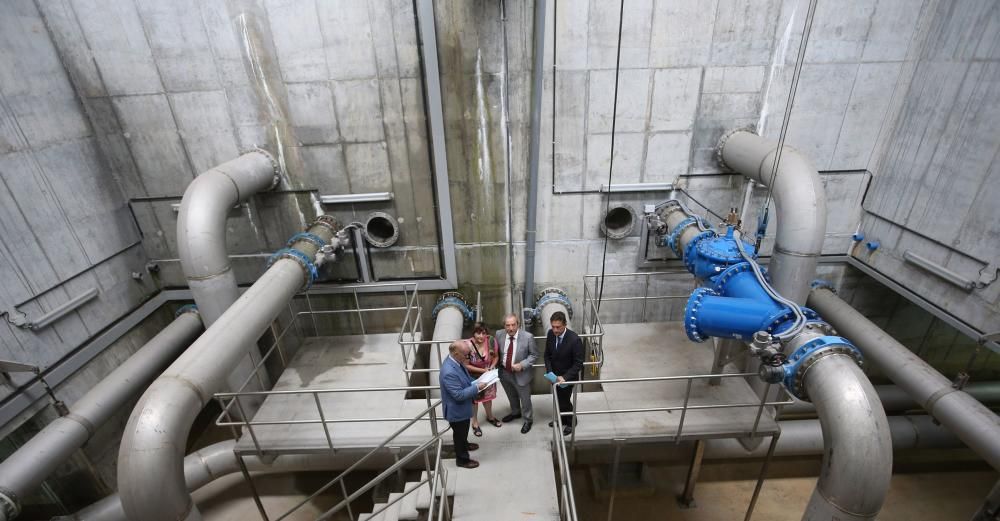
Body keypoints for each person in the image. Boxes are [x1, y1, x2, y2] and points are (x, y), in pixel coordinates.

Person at [440, 340, 489, 469]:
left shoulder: (456, 361)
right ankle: (462, 459)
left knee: (463, 431)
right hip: (456, 411)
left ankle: (465, 444)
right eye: (466, 355)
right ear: (456, 353)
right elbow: (458, 395)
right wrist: (477, 387)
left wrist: (476, 381)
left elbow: (464, 378)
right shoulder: (449, 371)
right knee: (459, 434)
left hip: (462, 409)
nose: (468, 357)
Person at [495, 313, 538, 433]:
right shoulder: (499, 334)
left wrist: (522, 365)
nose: (511, 328)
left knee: (525, 399)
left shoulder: (528, 337)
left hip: (521, 374)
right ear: (504, 326)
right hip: (504, 372)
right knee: (511, 395)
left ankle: (528, 420)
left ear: (518, 324)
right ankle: (515, 412)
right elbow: (496, 351)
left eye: (513, 325)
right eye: (507, 325)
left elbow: (534, 355)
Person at [544, 311, 584, 435]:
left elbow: (578, 363)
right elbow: (547, 356)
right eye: (553, 326)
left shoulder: (574, 340)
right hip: (554, 377)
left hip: (567, 377)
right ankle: (561, 419)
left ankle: (571, 422)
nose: (555, 330)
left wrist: (565, 377)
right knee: (557, 399)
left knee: (564, 401)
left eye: (558, 327)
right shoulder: (550, 334)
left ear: (565, 324)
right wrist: (550, 373)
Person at [463, 322, 502, 437]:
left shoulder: (491, 341)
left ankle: (490, 416)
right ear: (473, 333)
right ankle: (474, 422)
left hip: (488, 374)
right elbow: (466, 365)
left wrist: (492, 366)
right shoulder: (467, 345)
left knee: (487, 398)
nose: (481, 336)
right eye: (478, 333)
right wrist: (483, 371)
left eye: (483, 333)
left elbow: (496, 356)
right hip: (473, 376)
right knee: (474, 400)